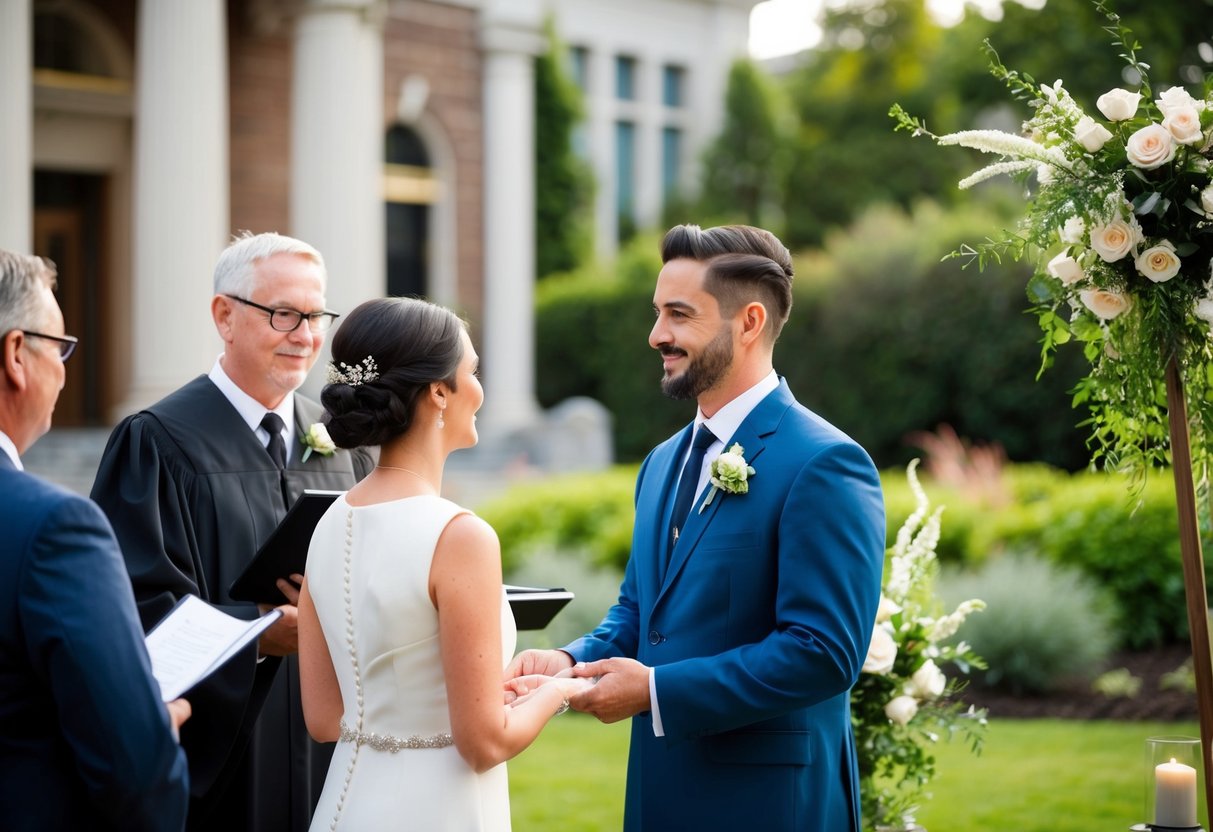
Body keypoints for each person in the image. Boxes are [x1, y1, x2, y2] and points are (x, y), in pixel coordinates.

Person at [507, 224, 886, 831]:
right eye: (658, 313)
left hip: (769, 804)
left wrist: (656, 692)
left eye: (679, 315)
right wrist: (569, 662)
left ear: (750, 322)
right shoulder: (661, 463)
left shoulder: (824, 463)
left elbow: (824, 653)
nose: (658, 335)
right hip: (661, 789)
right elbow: (639, 614)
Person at [90, 232, 375, 831]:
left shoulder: (337, 443)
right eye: (283, 314)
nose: (305, 335)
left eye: (315, 315)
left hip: (330, 745)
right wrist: (258, 633)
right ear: (225, 315)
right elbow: (130, 607)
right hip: (222, 761)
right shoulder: (157, 441)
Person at [297, 297, 590, 831]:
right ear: (438, 392)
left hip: (345, 805)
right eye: (472, 371)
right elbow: (484, 743)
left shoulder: (328, 522)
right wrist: (561, 691)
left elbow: (322, 718)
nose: (480, 389)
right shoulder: (459, 535)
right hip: (435, 811)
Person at [0, 249, 191, 831]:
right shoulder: (53, 528)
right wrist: (153, 722)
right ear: (15, 355)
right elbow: (137, 772)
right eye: (59, 347)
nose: (64, 367)